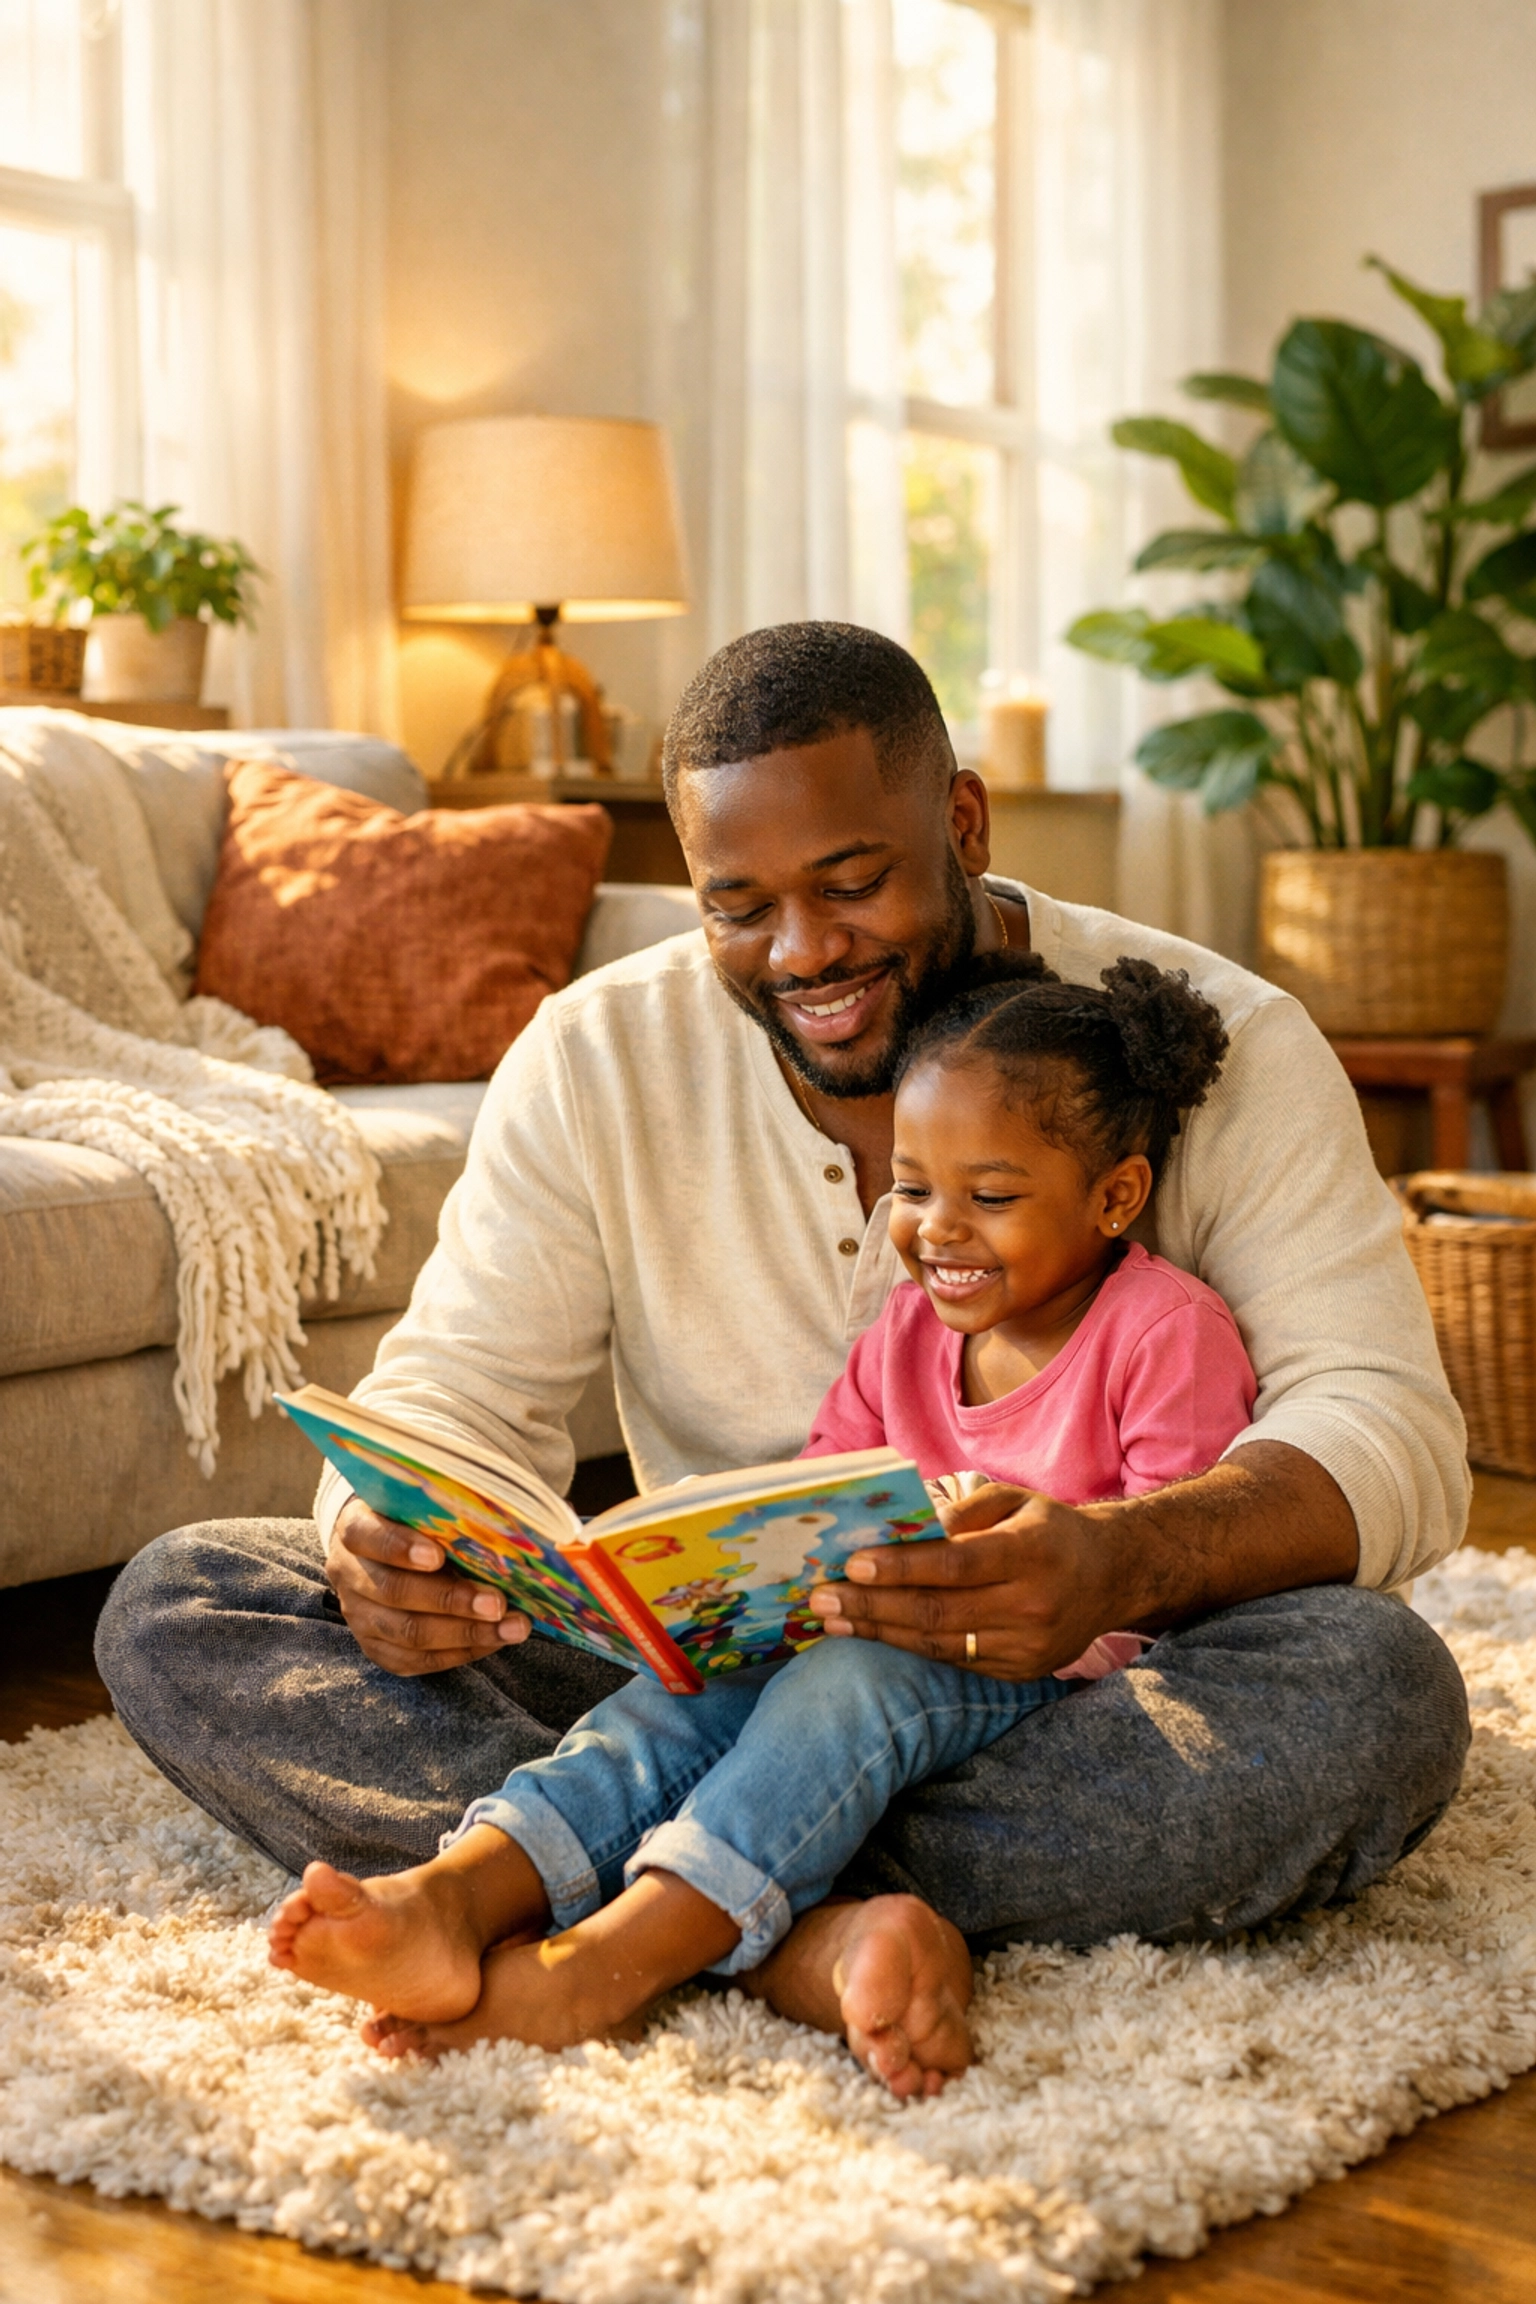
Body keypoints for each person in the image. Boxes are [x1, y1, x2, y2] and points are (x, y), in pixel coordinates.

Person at [97, 621, 1471, 2082]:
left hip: (1069, 1696)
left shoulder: (1218, 1042)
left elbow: (1385, 1423)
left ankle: (644, 1891)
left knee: (1371, 1688)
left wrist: (1120, 1561)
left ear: (963, 822)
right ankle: (807, 1936)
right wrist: (388, 1543)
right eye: (739, 906)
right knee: (190, 1602)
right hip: (726, 1672)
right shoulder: (594, 1054)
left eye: (854, 883)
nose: (803, 952)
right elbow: (456, 1390)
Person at [267, 951, 1255, 2094]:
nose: (939, 1231)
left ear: (1115, 1197)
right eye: (913, 1190)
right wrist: (715, 1580)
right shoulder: (906, 1332)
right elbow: (824, 1488)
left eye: (990, 1199)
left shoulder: (1164, 1332)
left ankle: (611, 1963)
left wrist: (1023, 1581)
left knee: (853, 1686)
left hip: (1049, 1692)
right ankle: (464, 1892)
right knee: (688, 1690)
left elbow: (1171, 1581)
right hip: (859, 1653)